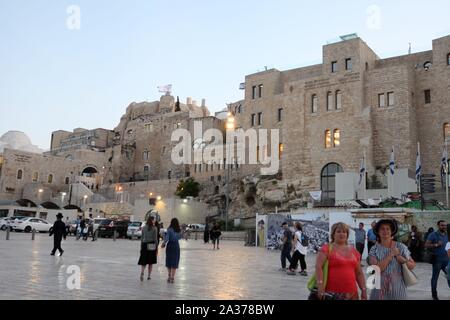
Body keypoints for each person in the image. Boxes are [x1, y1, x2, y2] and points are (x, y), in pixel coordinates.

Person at [314, 222, 367, 300]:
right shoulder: (326, 248)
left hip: (352, 294)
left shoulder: (354, 252)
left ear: (347, 234)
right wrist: (320, 286)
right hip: (332, 293)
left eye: (344, 232)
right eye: (338, 231)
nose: (341, 234)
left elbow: (359, 273)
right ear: (333, 234)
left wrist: (363, 290)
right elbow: (318, 267)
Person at [369, 219, 416, 300]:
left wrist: (402, 260)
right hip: (379, 286)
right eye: (382, 229)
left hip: (397, 286)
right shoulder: (374, 249)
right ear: (378, 232)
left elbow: (412, 266)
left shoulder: (401, 247)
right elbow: (376, 269)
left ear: (391, 232)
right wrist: (391, 254)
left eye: (388, 229)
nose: (385, 231)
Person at [425, 220, 449, 300]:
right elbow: (426, 245)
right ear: (438, 225)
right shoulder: (433, 235)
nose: (444, 227)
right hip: (437, 260)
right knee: (435, 277)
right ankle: (434, 294)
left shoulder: (447, 234)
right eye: (442, 225)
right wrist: (436, 244)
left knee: (449, 277)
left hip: (447, 260)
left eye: (445, 225)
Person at [161, 218, 182, 283]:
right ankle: (172, 277)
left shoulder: (169, 229)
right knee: (174, 261)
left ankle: (169, 275)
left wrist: (163, 242)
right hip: (176, 246)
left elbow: (167, 238)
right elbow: (180, 237)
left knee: (169, 260)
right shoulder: (179, 230)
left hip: (170, 246)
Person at [138, 217, 158, 281]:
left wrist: (141, 247)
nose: (154, 221)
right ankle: (149, 276)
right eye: (154, 220)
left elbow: (142, 238)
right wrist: (157, 247)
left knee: (144, 261)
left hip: (144, 245)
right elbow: (155, 239)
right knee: (150, 262)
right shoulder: (154, 228)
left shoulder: (143, 228)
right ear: (152, 220)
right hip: (151, 245)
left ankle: (142, 272)